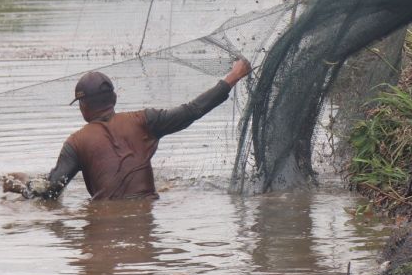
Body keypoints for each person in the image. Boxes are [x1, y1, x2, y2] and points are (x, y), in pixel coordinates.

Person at [28, 60, 252, 200]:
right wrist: (233, 76)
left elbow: (49, 192)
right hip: (146, 216)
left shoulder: (76, 143)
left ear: (82, 107)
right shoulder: (144, 121)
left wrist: (19, 186)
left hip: (105, 226)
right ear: (114, 98)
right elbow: (192, 111)